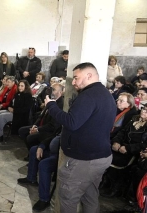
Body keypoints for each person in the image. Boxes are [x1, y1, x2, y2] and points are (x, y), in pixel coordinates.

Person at [44, 62, 117, 212]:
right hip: (101, 157)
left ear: (89, 75)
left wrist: (51, 106)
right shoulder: (105, 94)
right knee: (90, 196)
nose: (74, 82)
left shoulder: (88, 96)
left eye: (76, 78)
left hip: (84, 160)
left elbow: (72, 122)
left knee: (68, 198)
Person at [18, 83, 64, 151]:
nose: (51, 91)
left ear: (60, 92)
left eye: (53, 89)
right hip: (41, 126)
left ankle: (34, 152)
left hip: (49, 131)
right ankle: (31, 151)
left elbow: (52, 125)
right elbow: (41, 116)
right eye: (50, 89)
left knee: (30, 137)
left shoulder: (60, 105)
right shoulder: (50, 99)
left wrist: (37, 129)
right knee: (22, 130)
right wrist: (34, 126)